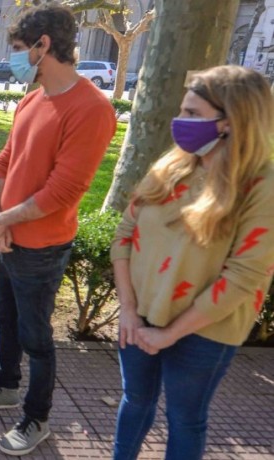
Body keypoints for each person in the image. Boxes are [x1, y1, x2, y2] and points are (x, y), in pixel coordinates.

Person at [0, 3, 116, 456]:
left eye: (19, 49)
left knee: (36, 337)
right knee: (4, 321)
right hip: (4, 237)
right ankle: (7, 386)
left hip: (41, 248)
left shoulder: (92, 109)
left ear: (44, 45)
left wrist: (2, 221)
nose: (13, 58)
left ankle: (37, 417)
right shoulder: (32, 96)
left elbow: (62, 192)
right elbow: (4, 161)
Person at [110, 65, 274, 460]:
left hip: (205, 331)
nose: (180, 122)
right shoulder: (171, 166)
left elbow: (244, 276)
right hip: (142, 316)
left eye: (194, 114)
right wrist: (129, 312)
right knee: (136, 401)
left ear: (232, 121)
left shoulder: (262, 185)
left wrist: (170, 334)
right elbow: (124, 235)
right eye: (182, 110)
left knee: (185, 419)